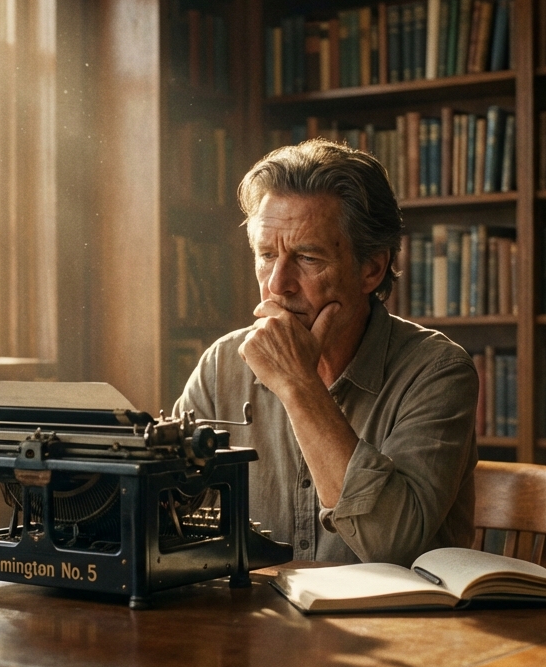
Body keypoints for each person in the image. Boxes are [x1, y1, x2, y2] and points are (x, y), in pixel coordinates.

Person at [176, 138, 478, 567]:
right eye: (266, 255)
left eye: (307, 257)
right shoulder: (223, 364)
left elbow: (392, 549)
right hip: (256, 626)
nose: (278, 284)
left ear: (371, 268)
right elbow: (165, 511)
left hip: (401, 629)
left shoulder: (438, 371)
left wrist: (298, 385)